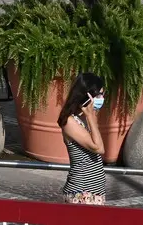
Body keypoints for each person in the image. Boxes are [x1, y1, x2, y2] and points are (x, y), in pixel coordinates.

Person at [58, 72, 107, 205]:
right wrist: (91, 116)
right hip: (81, 194)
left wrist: (90, 116)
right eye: (99, 95)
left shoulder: (85, 118)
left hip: (95, 193)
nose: (102, 98)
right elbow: (98, 148)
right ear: (86, 95)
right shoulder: (69, 121)